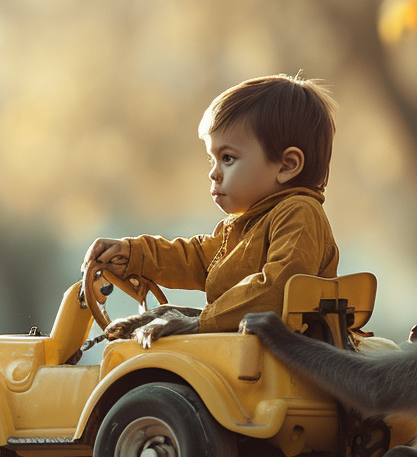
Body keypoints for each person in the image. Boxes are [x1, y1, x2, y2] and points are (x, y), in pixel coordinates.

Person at [82, 74, 338, 346]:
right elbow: (200, 260)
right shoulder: (246, 223)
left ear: (287, 166)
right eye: (211, 159)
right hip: (250, 350)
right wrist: (135, 254)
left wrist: (199, 323)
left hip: (289, 355)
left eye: (228, 158)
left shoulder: (299, 213)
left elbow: (278, 289)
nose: (214, 173)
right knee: (158, 318)